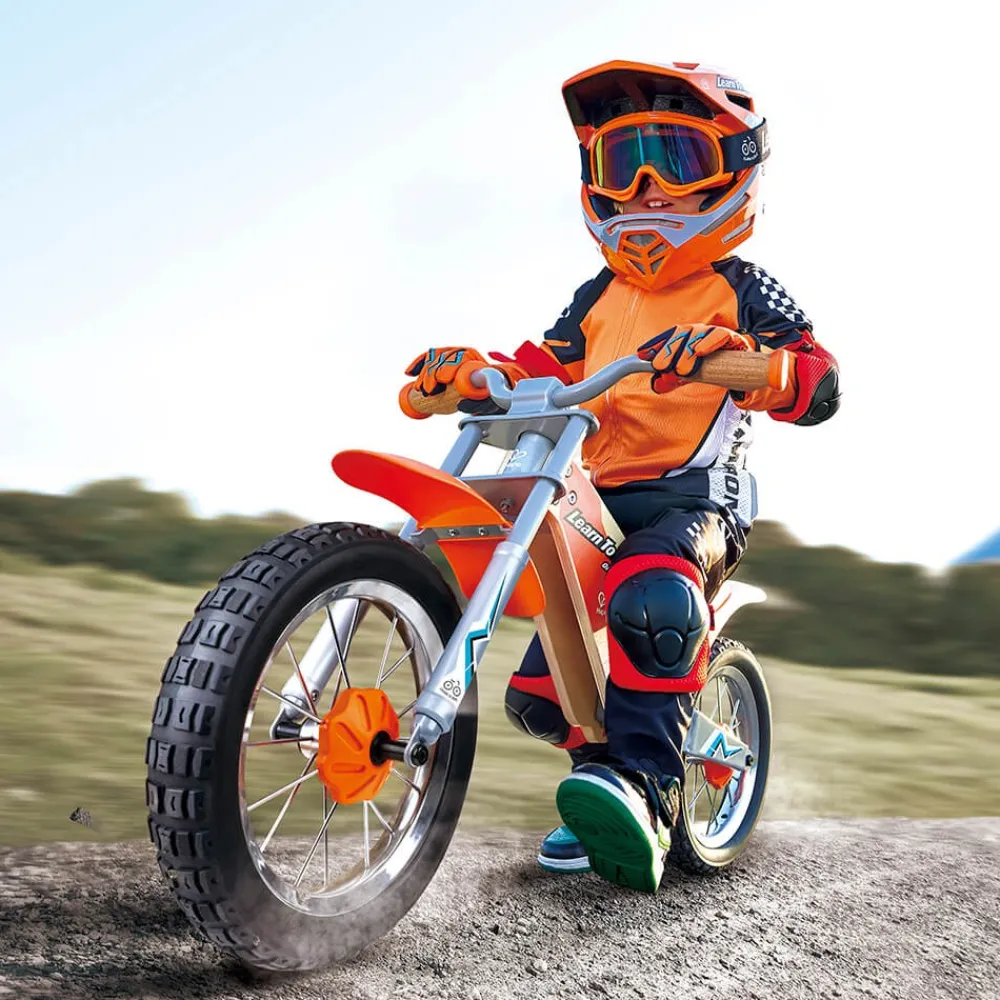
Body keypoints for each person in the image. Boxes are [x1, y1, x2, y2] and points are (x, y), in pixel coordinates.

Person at [399, 60, 840, 893]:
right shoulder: (597, 297)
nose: (646, 188)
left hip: (693, 501)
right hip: (593, 500)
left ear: (734, 165)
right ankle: (599, 788)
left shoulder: (742, 290)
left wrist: (745, 362)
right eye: (622, 164)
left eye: (675, 158)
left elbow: (819, 381)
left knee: (652, 596)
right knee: (544, 692)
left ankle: (648, 789)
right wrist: (473, 374)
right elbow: (539, 366)